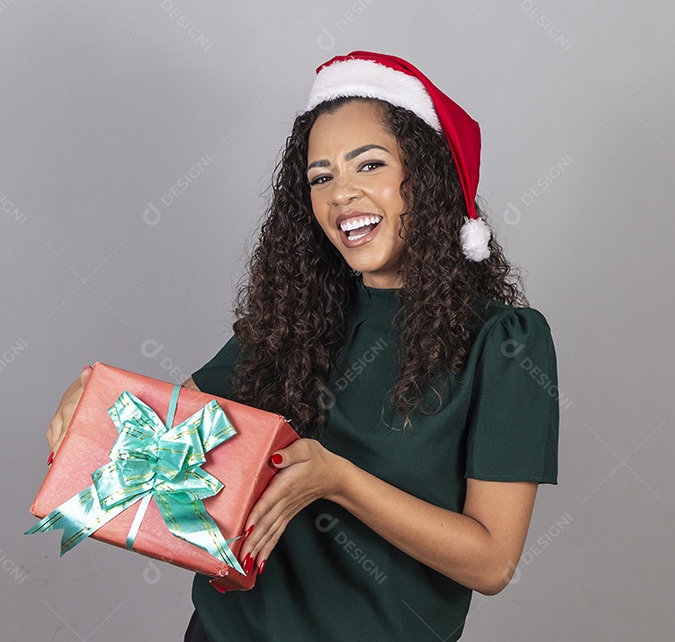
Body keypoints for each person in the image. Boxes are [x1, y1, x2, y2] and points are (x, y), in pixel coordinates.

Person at [45, 51, 559, 641]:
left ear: (428, 175)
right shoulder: (292, 319)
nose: (341, 194)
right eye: (321, 177)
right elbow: (163, 429)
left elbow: (492, 562)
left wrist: (337, 479)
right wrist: (88, 397)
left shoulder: (506, 344)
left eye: (368, 165)